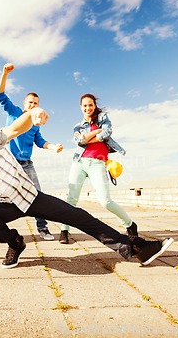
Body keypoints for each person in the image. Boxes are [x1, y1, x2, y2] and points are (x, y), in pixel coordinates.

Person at [0, 107, 174, 269]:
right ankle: (15, 243)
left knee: (79, 216)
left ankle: (136, 249)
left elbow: (14, 128)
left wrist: (33, 113)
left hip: (30, 196)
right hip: (7, 205)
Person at [59, 94, 138, 244]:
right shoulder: (77, 126)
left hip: (97, 163)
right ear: (80, 107)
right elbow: (78, 140)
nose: (88, 108)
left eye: (90, 105)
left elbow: (106, 133)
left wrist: (88, 137)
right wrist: (96, 132)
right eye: (85, 106)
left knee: (105, 201)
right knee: (71, 199)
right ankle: (64, 231)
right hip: (79, 162)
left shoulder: (103, 118)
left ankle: (130, 225)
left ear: (94, 105)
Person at [0, 63, 63, 241]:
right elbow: (0, 95)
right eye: (30, 102)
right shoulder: (14, 112)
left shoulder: (35, 125)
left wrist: (53, 146)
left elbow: (40, 142)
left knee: (37, 196)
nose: (33, 105)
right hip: (9, 163)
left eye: (36, 103)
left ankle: (43, 228)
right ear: (25, 104)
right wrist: (4, 74)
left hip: (27, 165)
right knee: (3, 196)